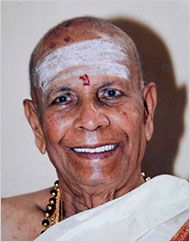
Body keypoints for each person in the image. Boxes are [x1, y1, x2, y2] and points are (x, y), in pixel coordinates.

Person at [1, 16, 189, 241]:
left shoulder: (180, 222)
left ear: (147, 110)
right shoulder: (7, 227)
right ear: (36, 124)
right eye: (63, 98)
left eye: (111, 93)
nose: (90, 120)